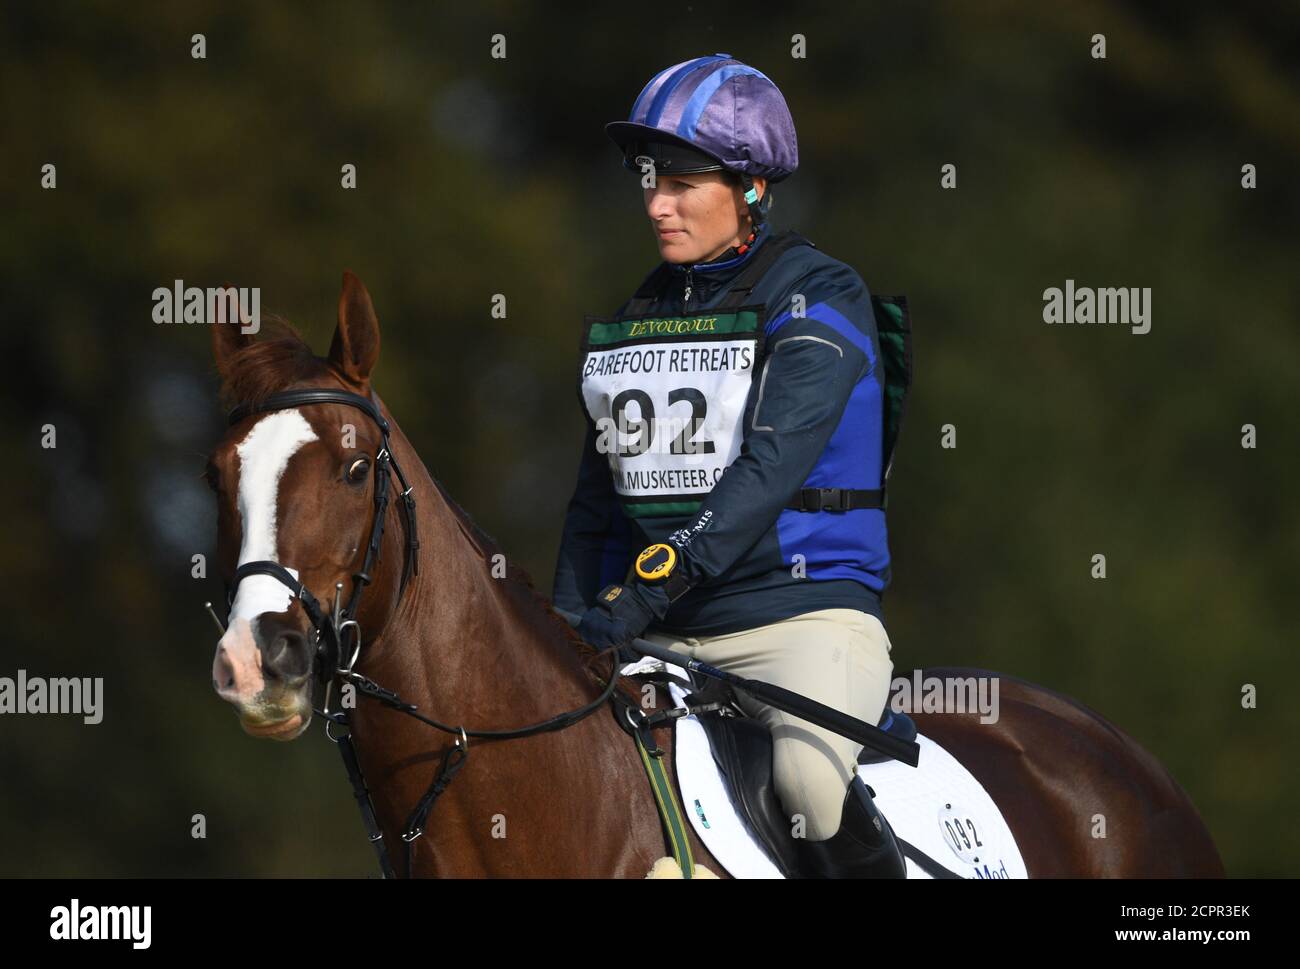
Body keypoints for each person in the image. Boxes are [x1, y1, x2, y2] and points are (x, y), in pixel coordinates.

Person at [553, 53, 910, 878]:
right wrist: (569, 626)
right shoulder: (641, 312)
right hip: (664, 632)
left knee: (809, 784)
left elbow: (768, 468)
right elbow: (596, 498)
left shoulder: (822, 293)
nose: (656, 204)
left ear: (750, 186)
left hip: (802, 618)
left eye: (680, 184)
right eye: (650, 182)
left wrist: (650, 581)